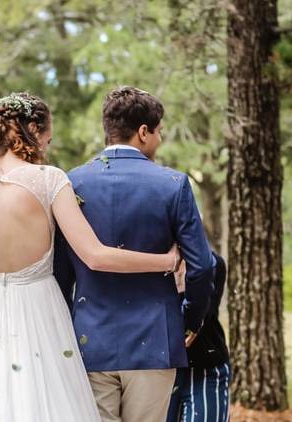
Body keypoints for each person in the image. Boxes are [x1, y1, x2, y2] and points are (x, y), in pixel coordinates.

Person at [0, 92, 180, 422]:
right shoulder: (49, 179)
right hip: (38, 307)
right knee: (46, 403)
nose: (45, 149)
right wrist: (166, 262)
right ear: (34, 131)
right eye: (47, 140)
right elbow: (95, 256)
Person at [54, 86, 215, 422]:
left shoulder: (71, 183)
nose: (159, 140)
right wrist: (189, 320)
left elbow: (60, 272)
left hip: (89, 340)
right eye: (158, 132)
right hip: (155, 341)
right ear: (143, 132)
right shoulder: (173, 184)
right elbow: (201, 267)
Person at [166, 254, 230, 422]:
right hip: (160, 371)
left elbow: (197, 316)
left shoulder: (210, 263)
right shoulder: (146, 260)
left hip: (204, 368)